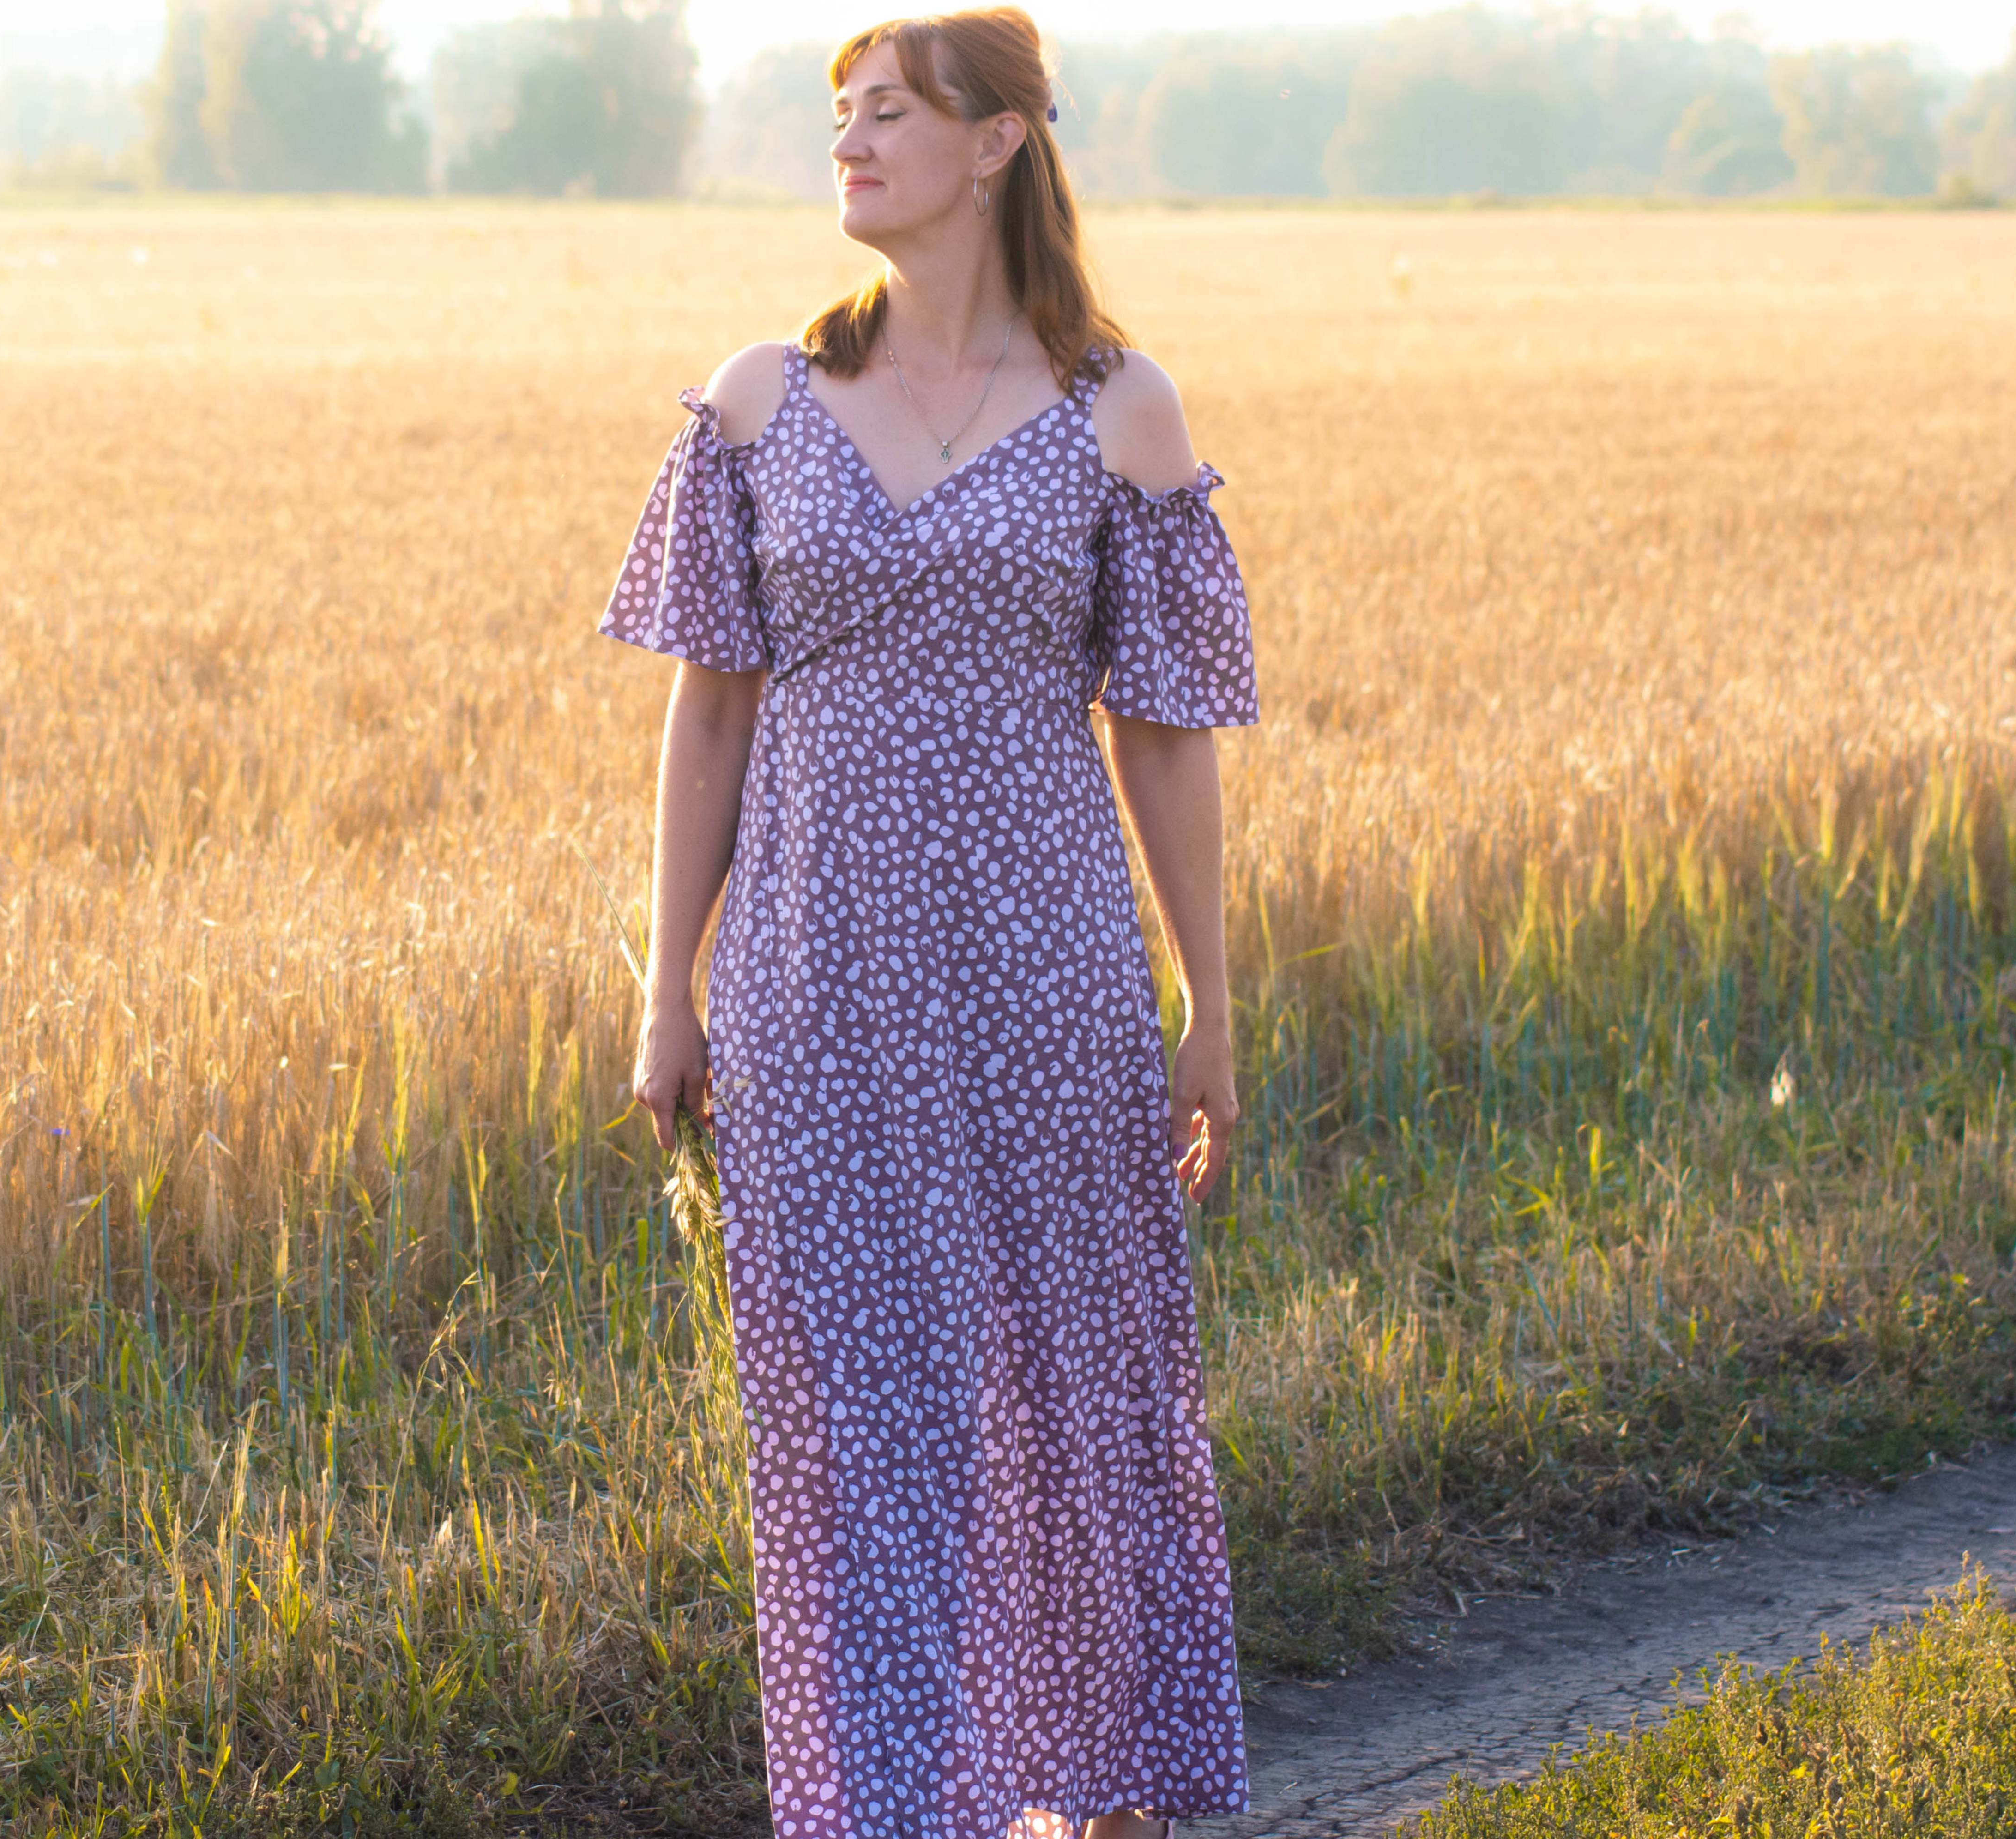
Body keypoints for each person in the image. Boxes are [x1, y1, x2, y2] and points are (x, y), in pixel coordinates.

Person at [598, 10, 1255, 1839]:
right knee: (852, 1425)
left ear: (997, 145)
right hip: (811, 989)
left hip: (1048, 984)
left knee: (1078, 1400)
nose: (852, 143)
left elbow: (1164, 737)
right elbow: (708, 716)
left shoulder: (1119, 409)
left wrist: (1208, 1006)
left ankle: (1102, 1792)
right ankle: (894, 1807)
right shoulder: (758, 401)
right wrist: (671, 990)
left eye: (890, 112)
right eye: (843, 116)